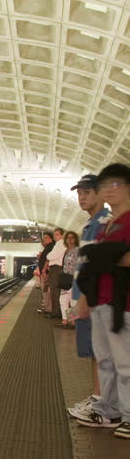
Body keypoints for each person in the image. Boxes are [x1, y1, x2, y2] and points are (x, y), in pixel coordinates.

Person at [75, 164, 130, 438]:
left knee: (124, 362)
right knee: (107, 360)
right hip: (103, 300)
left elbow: (110, 259)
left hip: (123, 302)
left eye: (116, 184)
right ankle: (108, 410)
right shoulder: (109, 224)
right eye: (106, 185)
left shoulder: (125, 221)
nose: (109, 190)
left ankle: (127, 414)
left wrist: (106, 257)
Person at [66, 174, 111, 421]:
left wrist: (85, 300)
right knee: (94, 352)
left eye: (87, 193)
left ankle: (102, 402)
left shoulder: (104, 222)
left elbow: (95, 266)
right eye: (79, 194)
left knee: (101, 353)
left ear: (100, 194)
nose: (82, 198)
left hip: (94, 300)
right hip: (86, 298)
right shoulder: (91, 223)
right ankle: (97, 397)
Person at [57, 231, 80, 329]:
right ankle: (65, 320)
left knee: (72, 301)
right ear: (65, 239)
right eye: (68, 238)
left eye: (72, 238)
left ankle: (73, 322)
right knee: (63, 300)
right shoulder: (66, 251)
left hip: (74, 278)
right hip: (65, 278)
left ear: (75, 239)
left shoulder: (78, 250)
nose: (70, 240)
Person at [45, 228, 67, 319]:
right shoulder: (58, 244)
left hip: (56, 269)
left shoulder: (61, 244)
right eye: (54, 234)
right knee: (54, 290)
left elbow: (51, 256)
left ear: (62, 235)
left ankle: (56, 313)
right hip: (56, 269)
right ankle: (56, 312)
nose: (55, 236)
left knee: (55, 290)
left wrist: (48, 256)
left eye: (57, 234)